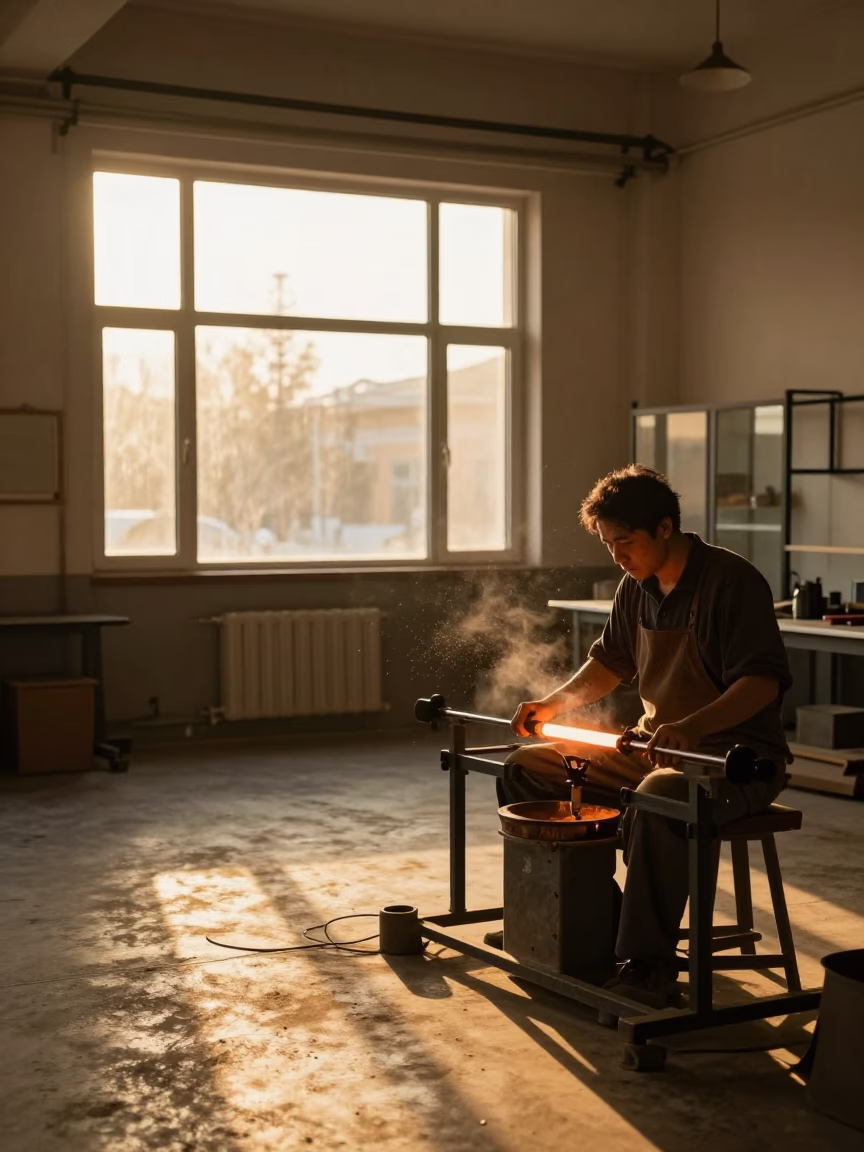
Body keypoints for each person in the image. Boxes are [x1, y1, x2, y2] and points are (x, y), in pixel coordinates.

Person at [494, 464, 791, 1008]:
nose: (617, 557)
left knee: (661, 796)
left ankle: (648, 965)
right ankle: (587, 922)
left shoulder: (732, 582)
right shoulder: (635, 587)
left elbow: (761, 683)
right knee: (527, 769)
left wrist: (692, 726)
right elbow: (609, 664)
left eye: (625, 542)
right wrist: (552, 704)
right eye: (608, 545)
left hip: (733, 762)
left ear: (664, 527)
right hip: (653, 750)